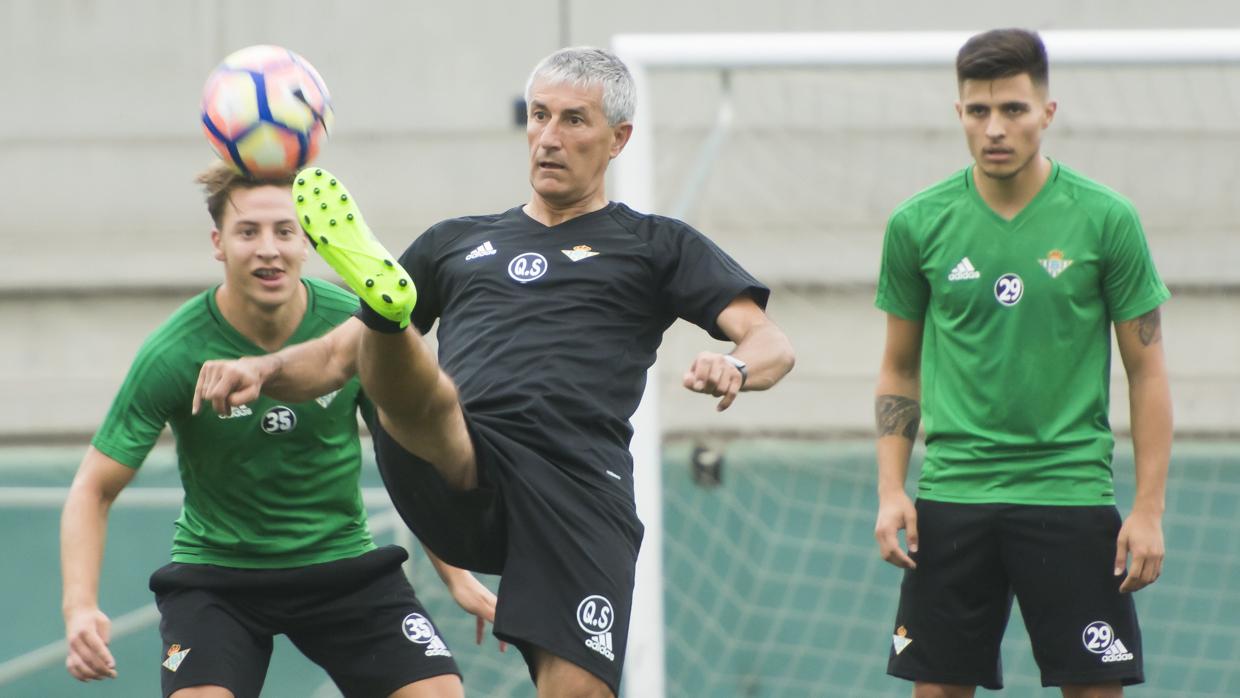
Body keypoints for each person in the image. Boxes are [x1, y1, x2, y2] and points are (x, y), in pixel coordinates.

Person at [194, 47, 795, 698]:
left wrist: (734, 365)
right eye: (539, 117)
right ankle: (390, 310)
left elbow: (771, 343)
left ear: (618, 138)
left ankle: (390, 314)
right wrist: (265, 368)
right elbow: (336, 357)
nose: (549, 138)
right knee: (415, 379)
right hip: (458, 454)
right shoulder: (457, 241)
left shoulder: (656, 244)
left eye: (573, 121)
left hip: (575, 489)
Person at [60, 162, 502, 698]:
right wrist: (80, 608)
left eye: (284, 231)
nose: (268, 248)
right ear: (218, 243)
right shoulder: (173, 351)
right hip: (218, 580)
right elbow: (93, 487)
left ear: (307, 243)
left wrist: (455, 575)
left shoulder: (355, 326)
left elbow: (411, 448)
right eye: (249, 232)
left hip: (343, 566)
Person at [872, 28, 1172, 698]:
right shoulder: (917, 224)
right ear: (959, 115)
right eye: (978, 111)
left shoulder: (1106, 220)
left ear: (1047, 112)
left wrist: (1148, 509)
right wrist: (892, 490)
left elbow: (1147, 372)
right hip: (952, 499)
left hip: (1069, 496)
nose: (995, 128)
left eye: (1013, 109)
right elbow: (898, 369)